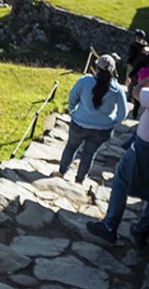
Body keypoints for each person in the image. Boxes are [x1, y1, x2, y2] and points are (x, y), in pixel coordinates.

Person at [87, 77, 149, 248]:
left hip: (144, 148)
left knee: (121, 180)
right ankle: (142, 229)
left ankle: (109, 225)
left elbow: (136, 92)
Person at [56, 55, 128, 185]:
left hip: (80, 123)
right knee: (89, 154)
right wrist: (113, 122)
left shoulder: (85, 81)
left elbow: (72, 97)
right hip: (102, 129)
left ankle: (61, 171)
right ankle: (79, 180)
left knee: (71, 147)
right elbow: (123, 113)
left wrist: (73, 111)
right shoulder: (117, 89)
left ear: (96, 68)